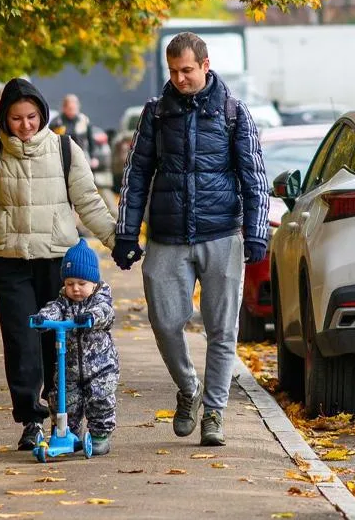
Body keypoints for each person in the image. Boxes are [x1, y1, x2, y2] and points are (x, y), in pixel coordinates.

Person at [113, 32, 269, 447]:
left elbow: (255, 177)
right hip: (167, 236)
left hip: (221, 234)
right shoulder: (156, 113)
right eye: (173, 71)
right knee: (165, 321)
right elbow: (136, 174)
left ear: (205, 65)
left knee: (222, 330)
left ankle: (214, 412)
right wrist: (127, 232)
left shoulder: (234, 113)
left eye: (187, 70)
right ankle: (188, 388)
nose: (180, 78)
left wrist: (255, 232)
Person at [0, 78, 116, 451]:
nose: (25, 125)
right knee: (21, 342)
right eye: (16, 118)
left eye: (31, 116)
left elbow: (88, 201)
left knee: (56, 343)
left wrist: (117, 241)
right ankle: (30, 420)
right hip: (9, 262)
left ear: (42, 115)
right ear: (3, 119)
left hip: (57, 263)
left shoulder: (64, 149)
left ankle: (62, 417)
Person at [32, 238, 119, 456]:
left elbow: (105, 313)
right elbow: (53, 309)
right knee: (64, 400)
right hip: (68, 366)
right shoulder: (63, 302)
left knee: (100, 399)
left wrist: (90, 317)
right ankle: (65, 432)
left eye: (81, 283)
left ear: (93, 282)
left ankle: (99, 435)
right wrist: (43, 319)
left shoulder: (100, 300)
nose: (75, 289)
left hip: (100, 368)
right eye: (70, 284)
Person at [50, 94, 100, 171]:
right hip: (62, 159)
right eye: (70, 108)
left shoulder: (84, 120)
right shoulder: (57, 122)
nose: (72, 111)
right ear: (64, 108)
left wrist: (94, 157)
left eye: (74, 108)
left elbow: (91, 141)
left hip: (82, 157)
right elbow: (50, 142)